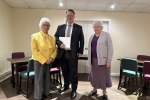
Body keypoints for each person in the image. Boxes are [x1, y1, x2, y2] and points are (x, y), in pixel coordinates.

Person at [54, 9, 84, 99]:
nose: (69, 17)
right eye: (67, 15)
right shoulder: (60, 27)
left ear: (74, 17)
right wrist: (60, 44)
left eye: (71, 15)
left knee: (73, 73)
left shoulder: (78, 27)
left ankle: (74, 90)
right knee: (65, 71)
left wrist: (80, 51)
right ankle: (66, 85)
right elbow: (55, 37)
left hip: (73, 54)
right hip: (62, 54)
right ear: (66, 17)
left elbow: (82, 40)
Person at [31, 17, 57, 100]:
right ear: (40, 26)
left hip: (49, 61)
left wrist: (51, 58)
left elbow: (55, 49)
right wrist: (44, 60)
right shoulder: (34, 36)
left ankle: (46, 93)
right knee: (38, 79)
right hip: (39, 61)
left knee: (47, 78)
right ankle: (38, 96)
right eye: (44, 25)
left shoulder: (52, 38)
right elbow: (35, 51)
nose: (46, 27)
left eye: (48, 25)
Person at [88, 20, 114, 100]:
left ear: (101, 27)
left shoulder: (106, 35)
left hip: (103, 61)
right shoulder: (92, 36)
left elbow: (111, 49)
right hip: (94, 60)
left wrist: (109, 60)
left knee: (103, 77)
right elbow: (89, 49)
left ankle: (104, 92)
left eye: (98, 26)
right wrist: (89, 60)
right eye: (95, 27)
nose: (96, 28)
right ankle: (94, 90)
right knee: (94, 76)